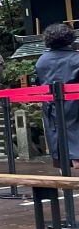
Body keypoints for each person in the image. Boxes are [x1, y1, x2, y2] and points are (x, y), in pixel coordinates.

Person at [34, 23, 79, 169]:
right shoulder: (76, 58)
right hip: (75, 106)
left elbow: (39, 83)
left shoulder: (42, 61)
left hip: (52, 107)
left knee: (58, 144)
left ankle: (66, 184)